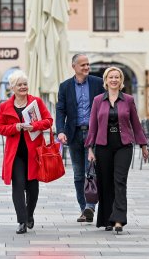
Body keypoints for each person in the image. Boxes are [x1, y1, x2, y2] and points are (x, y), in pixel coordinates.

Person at [85, 66, 149, 232]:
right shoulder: (98, 100)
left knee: (119, 181)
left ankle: (119, 219)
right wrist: (90, 149)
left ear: (121, 81)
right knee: (105, 182)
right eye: (111, 77)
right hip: (103, 145)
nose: (114, 80)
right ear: (106, 80)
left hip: (123, 145)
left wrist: (143, 144)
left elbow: (135, 123)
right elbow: (93, 126)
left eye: (117, 77)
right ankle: (107, 219)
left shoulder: (128, 99)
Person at [0, 70, 53, 234]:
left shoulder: (36, 102)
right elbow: (0, 127)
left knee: (33, 187)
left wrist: (33, 126)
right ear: (12, 87)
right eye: (19, 85)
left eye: (25, 84)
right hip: (15, 154)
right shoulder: (5, 106)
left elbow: (49, 121)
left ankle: (29, 215)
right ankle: (21, 221)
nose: (23, 87)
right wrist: (15, 127)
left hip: (33, 152)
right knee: (18, 186)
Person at [56, 53, 105, 223]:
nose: (86, 68)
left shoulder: (98, 83)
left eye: (88, 65)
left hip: (94, 134)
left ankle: (90, 206)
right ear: (74, 66)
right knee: (78, 174)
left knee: (91, 171)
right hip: (74, 134)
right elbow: (60, 110)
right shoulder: (65, 87)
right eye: (82, 65)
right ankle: (83, 208)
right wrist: (60, 130)